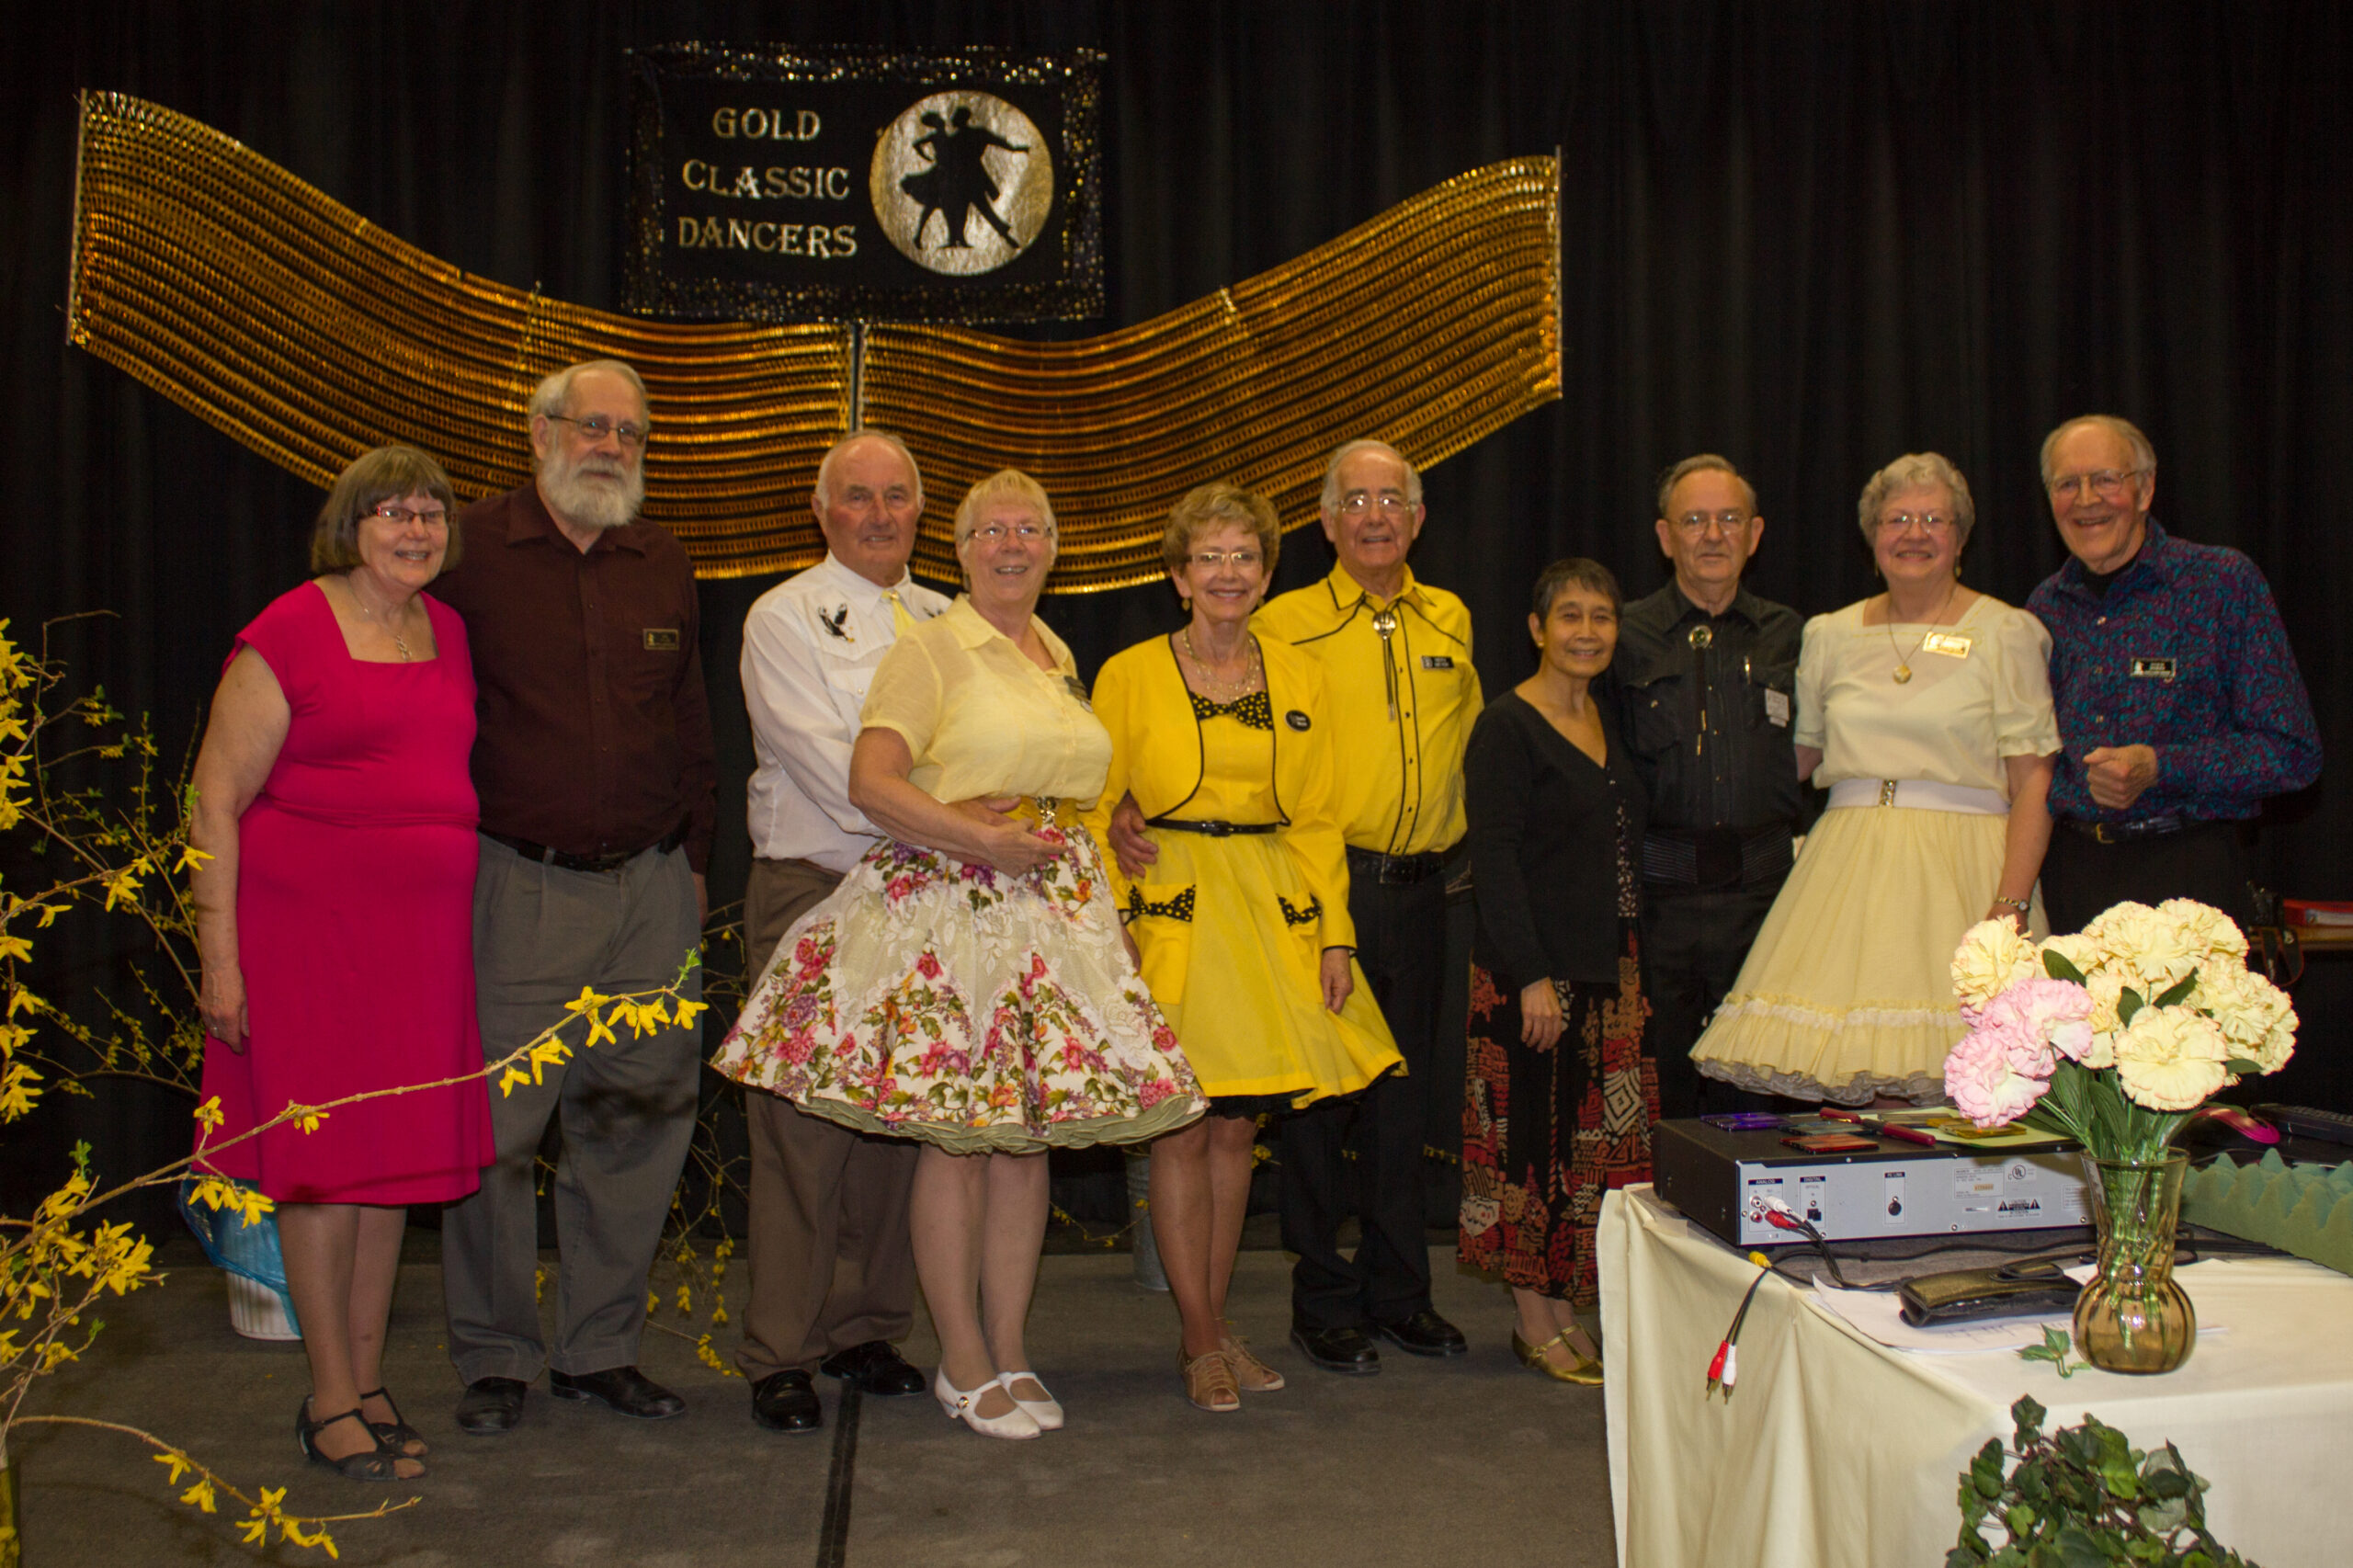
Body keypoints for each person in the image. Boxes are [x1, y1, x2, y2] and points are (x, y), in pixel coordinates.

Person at [710, 471, 1201, 1441]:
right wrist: (975, 837)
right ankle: (961, 1360)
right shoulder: (928, 644)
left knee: (1022, 1142)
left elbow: (1070, 797)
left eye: (1030, 528)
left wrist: (1105, 904)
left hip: (1048, 915)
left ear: (1053, 547)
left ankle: (1009, 1349)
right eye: (991, 530)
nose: (1011, 544)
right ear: (963, 548)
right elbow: (870, 779)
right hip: (955, 908)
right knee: (954, 1137)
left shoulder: (1056, 653)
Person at [1126, 437, 1478, 1375]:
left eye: (1390, 498)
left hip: (1384, 890)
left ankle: (1384, 1295)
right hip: (1250, 894)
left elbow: (1432, 764)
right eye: (1353, 500)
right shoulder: (1257, 631)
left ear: (1418, 518)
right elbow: (1127, 775)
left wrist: (1349, 927)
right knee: (1274, 1114)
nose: (1374, 516)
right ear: (1325, 523)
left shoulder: (1442, 621)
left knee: (1370, 1105)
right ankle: (1289, 1309)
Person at [190, 445, 493, 1482]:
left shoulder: (447, 629)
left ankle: (366, 1381)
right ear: (349, 526)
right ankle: (326, 1399)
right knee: (323, 1172)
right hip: (307, 944)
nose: (416, 529)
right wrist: (221, 963)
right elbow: (213, 803)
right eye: (393, 512)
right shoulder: (288, 629)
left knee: (389, 1168)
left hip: (419, 952)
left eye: (432, 513)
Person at [433, 359, 718, 1434]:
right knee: (497, 1135)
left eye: (630, 433)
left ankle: (600, 1348)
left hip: (652, 889)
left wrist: (695, 862)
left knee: (635, 1130)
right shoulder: (468, 549)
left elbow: (690, 720)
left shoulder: (662, 558)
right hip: (521, 885)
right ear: (539, 431)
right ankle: (496, 1355)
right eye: (592, 425)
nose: (610, 446)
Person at [1085, 483, 1403, 1413]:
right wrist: (1113, 916)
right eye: (1209, 557)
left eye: (1245, 556)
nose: (1228, 572)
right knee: (1182, 1126)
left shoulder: (1300, 675)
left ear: (1266, 575)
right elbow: (1093, 806)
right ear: (1179, 576)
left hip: (1271, 909)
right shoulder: (1129, 672)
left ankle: (1214, 1325)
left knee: (1234, 1131)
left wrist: (1336, 935)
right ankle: (1197, 1339)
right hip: (1170, 908)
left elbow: (1319, 817)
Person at [1691, 453, 2061, 1105]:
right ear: (1872, 536)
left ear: (1961, 537)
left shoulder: (2007, 632)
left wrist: (2011, 904)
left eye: (1934, 520)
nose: (1915, 534)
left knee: (1966, 1076)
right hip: (1847, 870)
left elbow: (2034, 779)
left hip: (1963, 869)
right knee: (1855, 1077)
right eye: (1897, 520)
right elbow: (1796, 760)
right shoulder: (1829, 635)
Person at [732, 430, 947, 1433]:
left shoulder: (948, 619)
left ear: (920, 509)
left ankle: (866, 1327)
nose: (878, 514)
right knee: (802, 1133)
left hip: (923, 896)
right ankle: (781, 1351)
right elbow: (840, 775)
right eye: (856, 496)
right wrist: (963, 820)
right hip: (814, 890)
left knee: (895, 1126)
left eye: (895, 495)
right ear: (821, 512)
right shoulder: (782, 618)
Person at [1461, 559, 1654, 1384]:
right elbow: (1495, 860)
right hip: (1534, 976)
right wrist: (1532, 974)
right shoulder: (1507, 725)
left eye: (1601, 617)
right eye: (1570, 615)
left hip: (1610, 970)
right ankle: (1531, 1318)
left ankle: (1565, 1308)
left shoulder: (1608, 715)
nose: (1587, 631)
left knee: (1585, 1154)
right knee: (1528, 1151)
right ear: (1538, 628)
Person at [2025, 415, 2321, 933]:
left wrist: (2160, 766)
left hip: (2187, 871)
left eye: (2106, 479)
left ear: (2145, 489)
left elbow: (2292, 753)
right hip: (2071, 878)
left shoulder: (2221, 584)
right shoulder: (2043, 608)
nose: (2086, 499)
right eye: (2067, 484)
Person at [1612, 455, 1807, 1119]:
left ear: (1755, 533)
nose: (1713, 535)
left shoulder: (1792, 634)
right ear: (1665, 537)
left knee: (1758, 1087)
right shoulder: (1623, 634)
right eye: (1694, 520)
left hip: (1765, 901)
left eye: (1729, 519)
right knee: (1662, 1088)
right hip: (1660, 902)